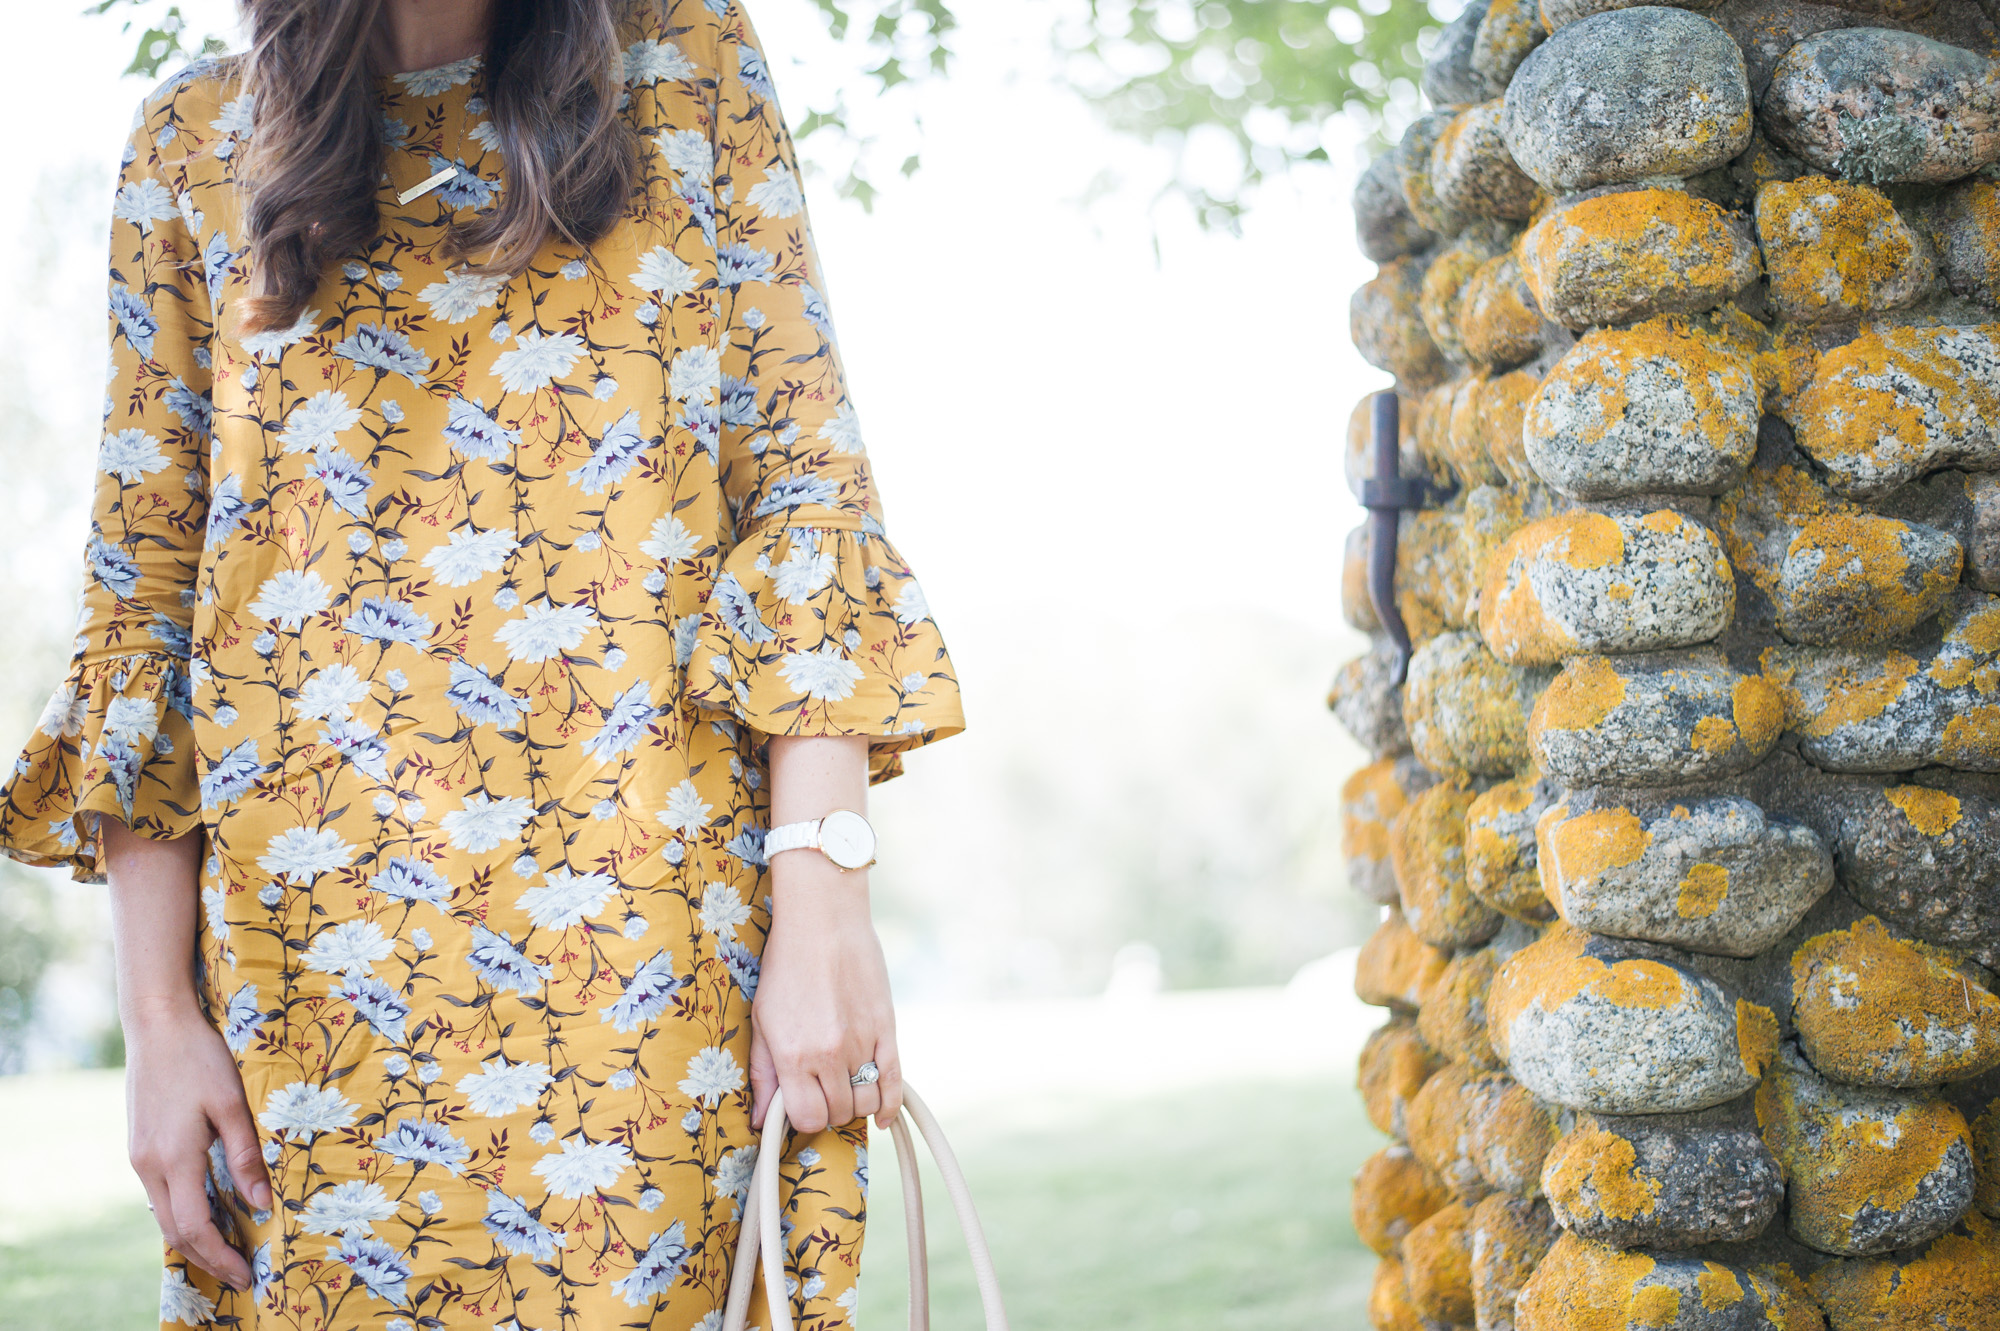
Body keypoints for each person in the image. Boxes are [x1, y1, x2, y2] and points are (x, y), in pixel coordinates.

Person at [0, 0, 963, 1324]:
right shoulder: (188, 147)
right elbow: (143, 604)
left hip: (652, 997)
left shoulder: (686, 70)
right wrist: (157, 1026)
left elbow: (801, 500)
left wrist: (828, 909)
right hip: (312, 1026)